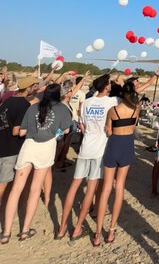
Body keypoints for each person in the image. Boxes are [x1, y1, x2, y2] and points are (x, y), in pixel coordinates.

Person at [1, 84, 72, 244]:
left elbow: (22, 132)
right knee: (34, 190)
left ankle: (6, 232)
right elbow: (66, 130)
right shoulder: (61, 109)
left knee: (16, 190)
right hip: (46, 148)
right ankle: (25, 230)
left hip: (29, 146)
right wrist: (56, 133)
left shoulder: (33, 107)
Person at [56, 74, 118, 241]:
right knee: (91, 188)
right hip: (99, 149)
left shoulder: (87, 102)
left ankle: (61, 228)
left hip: (85, 148)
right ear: (106, 86)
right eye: (110, 83)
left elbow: (82, 125)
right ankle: (77, 227)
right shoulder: (111, 102)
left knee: (74, 186)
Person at [93, 82, 140, 246]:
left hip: (114, 145)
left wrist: (108, 129)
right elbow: (133, 127)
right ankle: (111, 230)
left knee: (106, 188)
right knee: (119, 187)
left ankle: (98, 233)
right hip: (127, 145)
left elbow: (109, 131)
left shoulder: (113, 110)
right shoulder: (136, 109)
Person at [0, 76, 39, 223]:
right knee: (4, 184)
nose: (35, 89)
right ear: (28, 88)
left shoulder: (8, 100)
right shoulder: (23, 105)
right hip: (11, 148)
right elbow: (16, 131)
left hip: (2, 142)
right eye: (34, 86)